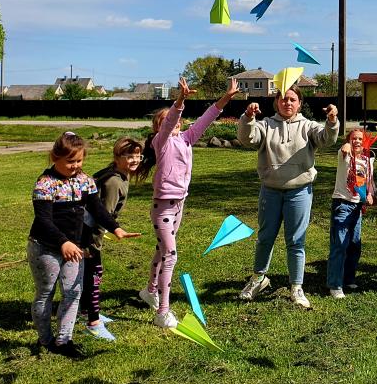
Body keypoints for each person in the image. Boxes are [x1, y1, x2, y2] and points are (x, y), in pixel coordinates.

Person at [135, 77, 240, 328]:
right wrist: (180, 100)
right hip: (163, 206)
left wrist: (226, 97)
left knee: (162, 251)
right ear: (158, 128)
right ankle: (163, 312)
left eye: (178, 121)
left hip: (179, 205)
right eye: (168, 121)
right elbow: (170, 120)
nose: (175, 122)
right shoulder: (160, 142)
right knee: (170, 255)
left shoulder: (186, 139)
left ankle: (150, 290)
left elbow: (207, 117)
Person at [29, 132, 139, 358]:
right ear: (54, 157)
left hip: (75, 249)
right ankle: (46, 340)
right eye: (70, 161)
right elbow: (44, 220)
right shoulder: (45, 184)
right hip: (45, 247)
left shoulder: (85, 181)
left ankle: (64, 341)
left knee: (73, 293)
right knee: (45, 293)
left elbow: (98, 209)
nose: (75, 166)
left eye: (79, 161)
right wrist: (63, 242)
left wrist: (115, 228)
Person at [237, 84, 339, 309]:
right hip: (270, 191)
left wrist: (332, 122)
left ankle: (296, 287)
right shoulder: (266, 125)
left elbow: (326, 139)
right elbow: (248, 139)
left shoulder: (308, 126)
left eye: (292, 99)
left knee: (296, 241)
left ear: (300, 103)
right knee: (265, 237)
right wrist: (248, 118)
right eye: (283, 99)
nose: (288, 103)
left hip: (300, 192)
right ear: (276, 103)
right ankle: (258, 278)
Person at [79, 137, 144, 341]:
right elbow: (101, 215)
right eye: (129, 156)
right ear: (117, 157)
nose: (135, 160)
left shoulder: (118, 175)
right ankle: (93, 322)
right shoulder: (114, 181)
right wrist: (94, 243)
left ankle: (85, 312)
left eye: (138, 156)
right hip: (87, 234)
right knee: (93, 275)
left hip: (90, 231)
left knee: (90, 274)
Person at [326, 129, 375, 298]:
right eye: (353, 139)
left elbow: (369, 184)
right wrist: (346, 144)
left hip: (357, 207)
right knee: (339, 244)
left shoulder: (368, 161)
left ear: (365, 142)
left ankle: (348, 278)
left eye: (360, 139)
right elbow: (344, 148)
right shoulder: (344, 156)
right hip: (342, 204)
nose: (357, 142)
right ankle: (335, 284)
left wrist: (369, 195)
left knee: (354, 244)